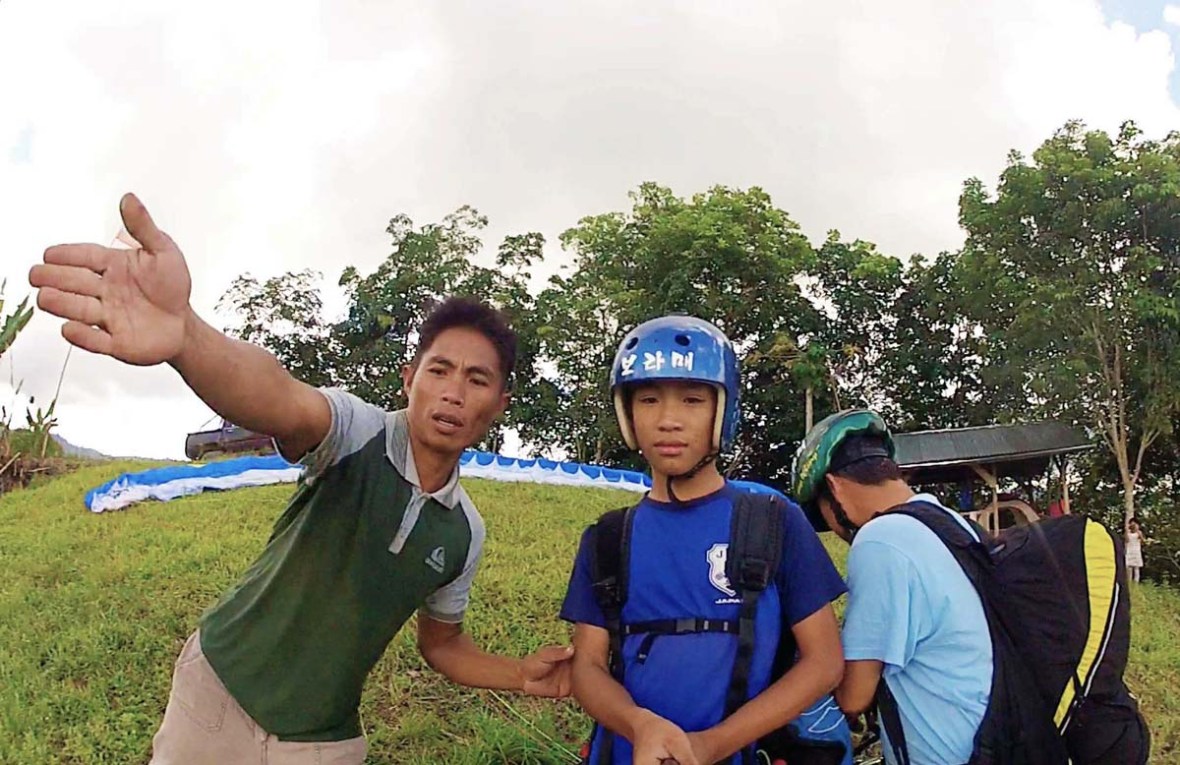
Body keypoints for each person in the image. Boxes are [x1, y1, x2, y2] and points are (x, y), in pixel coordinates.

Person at [29, 194, 573, 765]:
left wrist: (521, 675)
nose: (454, 392)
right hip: (219, 691)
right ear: (409, 379)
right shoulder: (356, 432)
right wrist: (187, 335)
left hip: (321, 739)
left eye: (477, 379)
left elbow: (442, 644)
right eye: (439, 370)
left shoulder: (465, 534)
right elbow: (280, 400)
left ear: (501, 403)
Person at [561, 315, 847, 765]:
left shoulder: (775, 522)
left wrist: (711, 745)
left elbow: (824, 662)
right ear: (628, 413)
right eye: (649, 400)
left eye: (692, 400)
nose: (668, 420)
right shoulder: (607, 538)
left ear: (722, 410)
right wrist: (640, 726)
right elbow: (588, 666)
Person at [790, 409, 991, 765]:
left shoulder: (881, 539)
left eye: (824, 515)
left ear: (834, 488)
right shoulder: (953, 525)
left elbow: (853, 696)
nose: (835, 530)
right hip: (999, 739)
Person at [1125, 517, 1145, 583]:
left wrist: (1138, 532)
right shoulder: (1128, 533)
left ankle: (1136, 582)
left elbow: (1142, 541)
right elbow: (1126, 540)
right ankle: (1128, 581)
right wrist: (1127, 530)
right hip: (1130, 550)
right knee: (1128, 566)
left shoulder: (1139, 533)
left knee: (1136, 568)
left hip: (1136, 551)